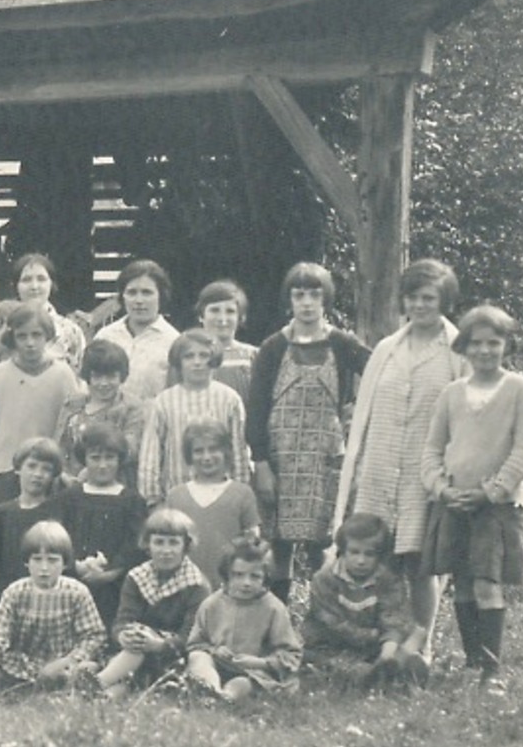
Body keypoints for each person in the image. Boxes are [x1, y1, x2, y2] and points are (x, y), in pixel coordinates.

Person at [333, 259, 469, 659]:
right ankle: (379, 639)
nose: (420, 305)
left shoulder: (457, 351)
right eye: (412, 297)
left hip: (424, 471)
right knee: (377, 557)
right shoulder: (388, 349)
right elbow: (366, 412)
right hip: (380, 466)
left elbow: (464, 414)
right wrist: (355, 467)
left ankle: (419, 647)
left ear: (445, 301)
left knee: (420, 563)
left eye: (429, 298)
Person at [420, 305, 523, 695]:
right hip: (454, 503)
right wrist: (443, 489)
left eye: (494, 343)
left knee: (488, 584)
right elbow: (432, 450)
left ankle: (492, 672)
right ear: (464, 347)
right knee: (464, 582)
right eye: (477, 343)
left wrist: (490, 492)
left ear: (507, 345)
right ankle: (472, 663)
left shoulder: (520, 390)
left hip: (497, 506)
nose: (485, 351)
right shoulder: (452, 394)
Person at [246, 262, 372, 603]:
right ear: (289, 300)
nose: (306, 302)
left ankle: (325, 612)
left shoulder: (343, 344)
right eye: (299, 294)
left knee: (324, 540)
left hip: (325, 456)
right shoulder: (273, 347)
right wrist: (261, 463)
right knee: (280, 542)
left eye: (314, 294)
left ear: (325, 299)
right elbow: (256, 408)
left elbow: (379, 372)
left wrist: (357, 412)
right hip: (281, 456)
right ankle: (280, 614)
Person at [82, 508, 211, 699]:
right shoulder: (137, 577)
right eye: (159, 542)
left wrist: (159, 645)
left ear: (186, 546)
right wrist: (123, 636)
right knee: (132, 656)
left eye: (173, 543)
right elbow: (123, 620)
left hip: (173, 655)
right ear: (147, 545)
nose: (166, 551)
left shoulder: (197, 585)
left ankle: (97, 684)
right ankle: (101, 694)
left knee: (137, 655)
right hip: (135, 653)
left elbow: (191, 637)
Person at [0, 521, 106, 692]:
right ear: (27, 562)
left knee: (77, 675)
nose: (44, 568)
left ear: (65, 563)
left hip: (63, 663)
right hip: (22, 664)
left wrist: (70, 660)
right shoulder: (16, 591)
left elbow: (94, 636)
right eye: (37, 560)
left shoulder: (77, 592)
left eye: (52, 560)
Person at [0, 303, 82, 510]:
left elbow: (70, 428)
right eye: (22, 336)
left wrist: (66, 471)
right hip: (3, 472)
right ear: (12, 338)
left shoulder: (63, 375)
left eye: (37, 335)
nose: (30, 343)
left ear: (47, 336)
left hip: (48, 473)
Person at [302, 513, 424, 689]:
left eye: (369, 554)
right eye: (354, 552)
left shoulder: (387, 580)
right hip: (334, 644)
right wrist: (373, 636)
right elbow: (333, 623)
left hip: (376, 646)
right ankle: (373, 676)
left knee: (416, 635)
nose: (361, 561)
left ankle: (393, 667)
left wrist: (387, 651)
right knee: (332, 665)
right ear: (342, 550)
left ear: (380, 556)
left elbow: (393, 617)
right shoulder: (325, 579)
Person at [136, 329, 250, 507]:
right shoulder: (164, 402)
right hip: (176, 498)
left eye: (204, 355)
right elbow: (151, 454)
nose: (197, 362)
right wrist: (153, 500)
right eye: (189, 356)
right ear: (179, 362)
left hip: (222, 497)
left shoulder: (229, 399)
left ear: (214, 359)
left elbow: (239, 451)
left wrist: (240, 493)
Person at [185, 541, 302, 700]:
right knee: (198, 657)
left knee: (242, 683)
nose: (246, 583)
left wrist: (259, 662)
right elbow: (196, 643)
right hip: (219, 665)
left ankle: (226, 696)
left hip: (255, 671)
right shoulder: (211, 604)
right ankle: (210, 687)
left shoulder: (273, 608)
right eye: (238, 575)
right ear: (227, 575)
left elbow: (290, 654)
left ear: (265, 579)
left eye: (255, 576)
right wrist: (214, 650)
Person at [59, 423, 147, 627]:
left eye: (110, 458)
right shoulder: (70, 498)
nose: (102, 465)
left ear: (119, 461)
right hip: (74, 580)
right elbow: (60, 538)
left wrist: (110, 573)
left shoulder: (132, 501)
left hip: (117, 586)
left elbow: (136, 546)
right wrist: (77, 567)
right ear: (84, 460)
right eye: (95, 458)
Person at [163, 421, 261, 588]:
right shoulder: (176, 496)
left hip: (228, 586)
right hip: (184, 586)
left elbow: (253, 539)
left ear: (226, 452)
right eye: (198, 451)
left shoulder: (242, 493)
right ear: (189, 456)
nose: (206, 457)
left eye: (213, 449)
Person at [54, 339, 146, 484]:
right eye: (97, 377)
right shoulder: (72, 404)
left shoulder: (131, 408)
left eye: (111, 377)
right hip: (69, 485)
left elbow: (130, 450)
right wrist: (63, 474)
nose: (103, 383)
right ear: (87, 376)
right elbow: (59, 444)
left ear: (121, 376)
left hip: (113, 485)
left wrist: (91, 470)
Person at [91, 260, 179, 406]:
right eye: (132, 292)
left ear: (160, 295)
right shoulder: (105, 337)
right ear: (122, 296)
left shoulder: (173, 342)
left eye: (147, 293)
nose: (139, 300)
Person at [0, 438, 65, 588]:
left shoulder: (58, 512)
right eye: (32, 466)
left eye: (46, 469)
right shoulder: (2, 513)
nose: (38, 474)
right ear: (19, 469)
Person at [8, 253, 86, 365]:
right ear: (15, 285)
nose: (34, 286)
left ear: (51, 284)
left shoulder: (71, 331)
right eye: (26, 280)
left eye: (41, 279)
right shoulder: (6, 327)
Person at [196, 280, 259, 400]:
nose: (222, 319)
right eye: (214, 310)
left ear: (241, 318)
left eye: (230, 311)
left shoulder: (254, 356)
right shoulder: (188, 355)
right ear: (201, 315)